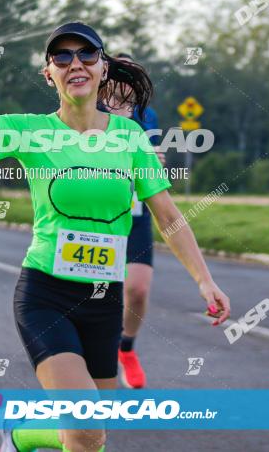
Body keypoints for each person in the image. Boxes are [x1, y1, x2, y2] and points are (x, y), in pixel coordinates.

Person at [0, 0, 230, 452]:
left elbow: (168, 216)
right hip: (46, 296)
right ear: (49, 75)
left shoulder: (131, 138)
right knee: (84, 428)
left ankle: (19, 435)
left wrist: (205, 281)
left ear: (103, 69)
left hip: (105, 302)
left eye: (86, 54)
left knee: (90, 440)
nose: (74, 62)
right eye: (61, 57)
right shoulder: (31, 133)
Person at [101, 61, 163, 390]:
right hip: (99, 218)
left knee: (137, 290)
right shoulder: (88, 111)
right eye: (115, 90)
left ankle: (126, 349)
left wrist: (155, 158)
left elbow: (152, 160)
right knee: (98, 295)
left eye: (131, 92)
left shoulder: (147, 117)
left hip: (136, 212)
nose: (123, 97)